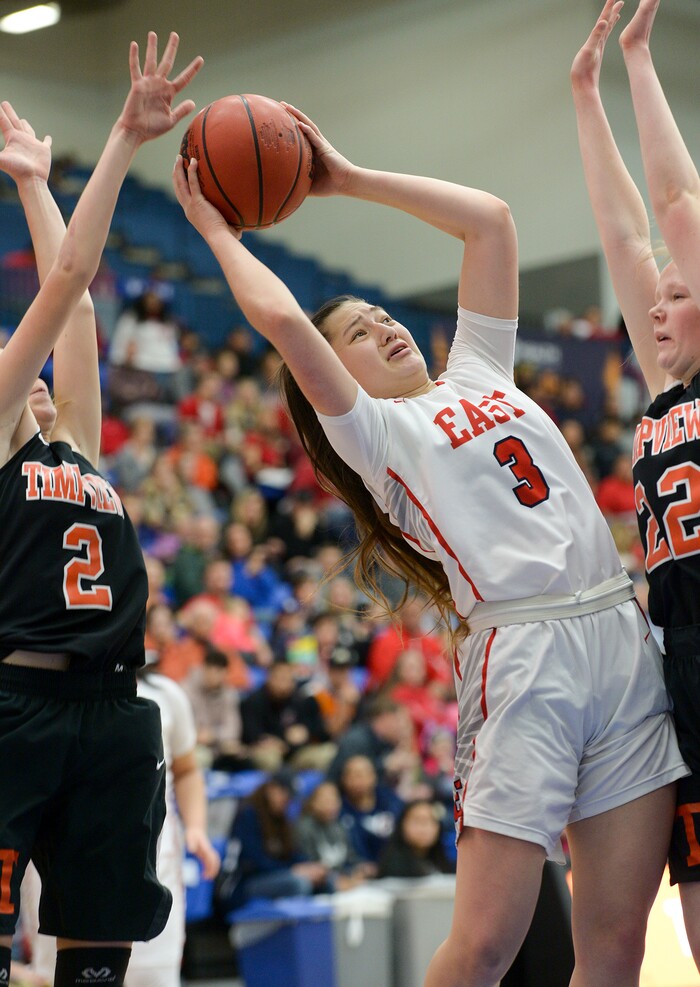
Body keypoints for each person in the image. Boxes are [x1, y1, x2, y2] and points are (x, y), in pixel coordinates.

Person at [173, 99, 687, 986]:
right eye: (359, 334)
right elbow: (289, 326)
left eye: (379, 313)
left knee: (617, 947)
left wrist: (347, 178)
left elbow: (489, 221)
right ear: (339, 375)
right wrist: (219, 236)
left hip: (620, 633)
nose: (381, 326)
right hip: (523, 655)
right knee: (486, 945)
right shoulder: (373, 434)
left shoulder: (479, 366)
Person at [0, 32, 203, 987]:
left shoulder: (76, 447)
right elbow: (66, 284)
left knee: (100, 948)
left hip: (115, 705)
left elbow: (75, 314)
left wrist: (38, 180)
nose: (35, 371)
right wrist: (122, 141)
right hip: (17, 702)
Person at [571, 0, 700, 967]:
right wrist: (585, 97)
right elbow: (626, 238)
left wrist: (640, 64)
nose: (659, 306)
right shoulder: (661, 388)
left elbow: (672, 213)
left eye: (682, 293)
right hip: (681, 657)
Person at [20, 662, 221, 987]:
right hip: (58, 875)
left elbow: (186, 770)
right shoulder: (38, 690)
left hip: (152, 868)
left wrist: (196, 828)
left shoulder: (165, 694)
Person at [214, 772, 330, 915]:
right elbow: (253, 861)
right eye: (285, 795)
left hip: (274, 875)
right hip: (245, 883)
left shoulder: (281, 818)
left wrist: (310, 866)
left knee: (325, 881)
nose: (287, 801)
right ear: (272, 789)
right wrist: (292, 869)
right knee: (298, 883)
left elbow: (291, 853)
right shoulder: (248, 815)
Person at [376, 798, 453, 879]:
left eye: (431, 821)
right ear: (402, 825)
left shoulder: (442, 861)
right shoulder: (393, 865)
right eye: (417, 821)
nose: (425, 827)